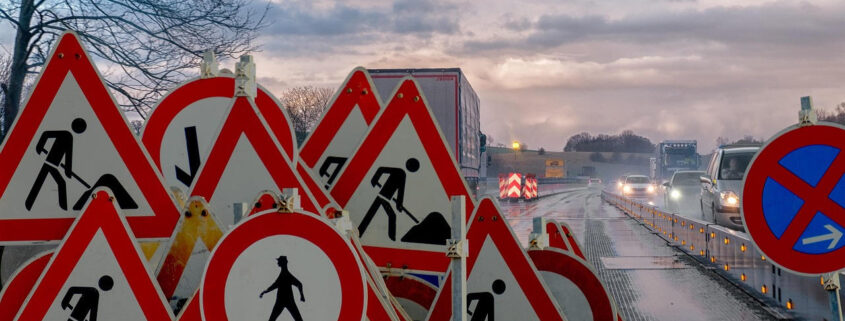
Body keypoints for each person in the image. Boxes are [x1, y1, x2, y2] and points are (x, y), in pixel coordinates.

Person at [26, 118, 87, 210]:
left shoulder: (68, 136)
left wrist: (68, 171)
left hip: (52, 164)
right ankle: (63, 208)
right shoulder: (66, 135)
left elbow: (68, 156)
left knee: (40, 182)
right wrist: (39, 147)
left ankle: (28, 204)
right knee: (60, 183)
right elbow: (46, 134)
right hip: (49, 163)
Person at [359, 158, 419, 241]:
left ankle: (359, 233)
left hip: (383, 198)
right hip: (383, 197)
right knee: (391, 216)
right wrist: (374, 180)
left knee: (371, 214)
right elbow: (381, 169)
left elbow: (400, 191)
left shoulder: (401, 173)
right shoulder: (400, 173)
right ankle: (392, 239)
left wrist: (399, 205)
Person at [260, 256, 304, 321]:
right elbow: (275, 285)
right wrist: (301, 295)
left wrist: (302, 295)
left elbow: (299, 284)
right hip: (286, 301)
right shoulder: (285, 274)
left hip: (283, 301)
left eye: (279, 261)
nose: (277, 262)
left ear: (282, 263)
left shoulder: (286, 275)